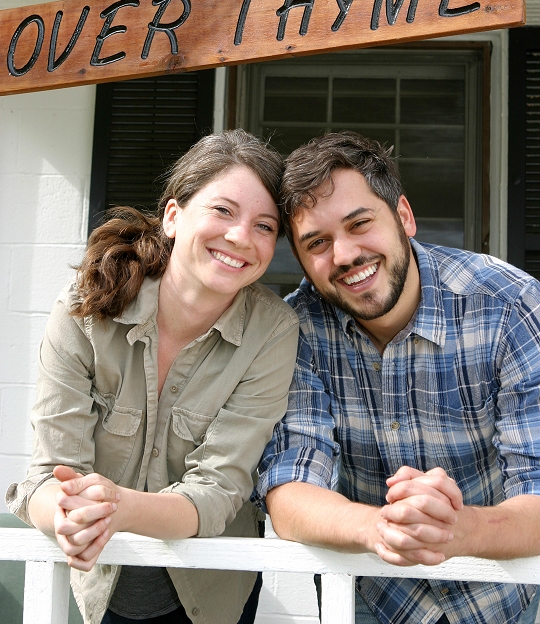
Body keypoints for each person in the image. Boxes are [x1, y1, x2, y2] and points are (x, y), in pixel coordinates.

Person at [6, 129, 299, 624]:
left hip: (213, 591)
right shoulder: (84, 308)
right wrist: (69, 514)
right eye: (222, 210)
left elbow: (217, 490)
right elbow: (48, 474)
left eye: (265, 226)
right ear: (172, 216)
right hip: (96, 587)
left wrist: (118, 507)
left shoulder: (273, 332)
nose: (240, 237)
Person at [255, 131, 540, 624]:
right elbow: (290, 490)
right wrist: (384, 528)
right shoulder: (294, 329)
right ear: (300, 261)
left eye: (359, 223)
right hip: (372, 596)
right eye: (317, 243)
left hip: (501, 590)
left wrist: (457, 530)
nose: (343, 255)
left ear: (403, 216)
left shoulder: (509, 306)